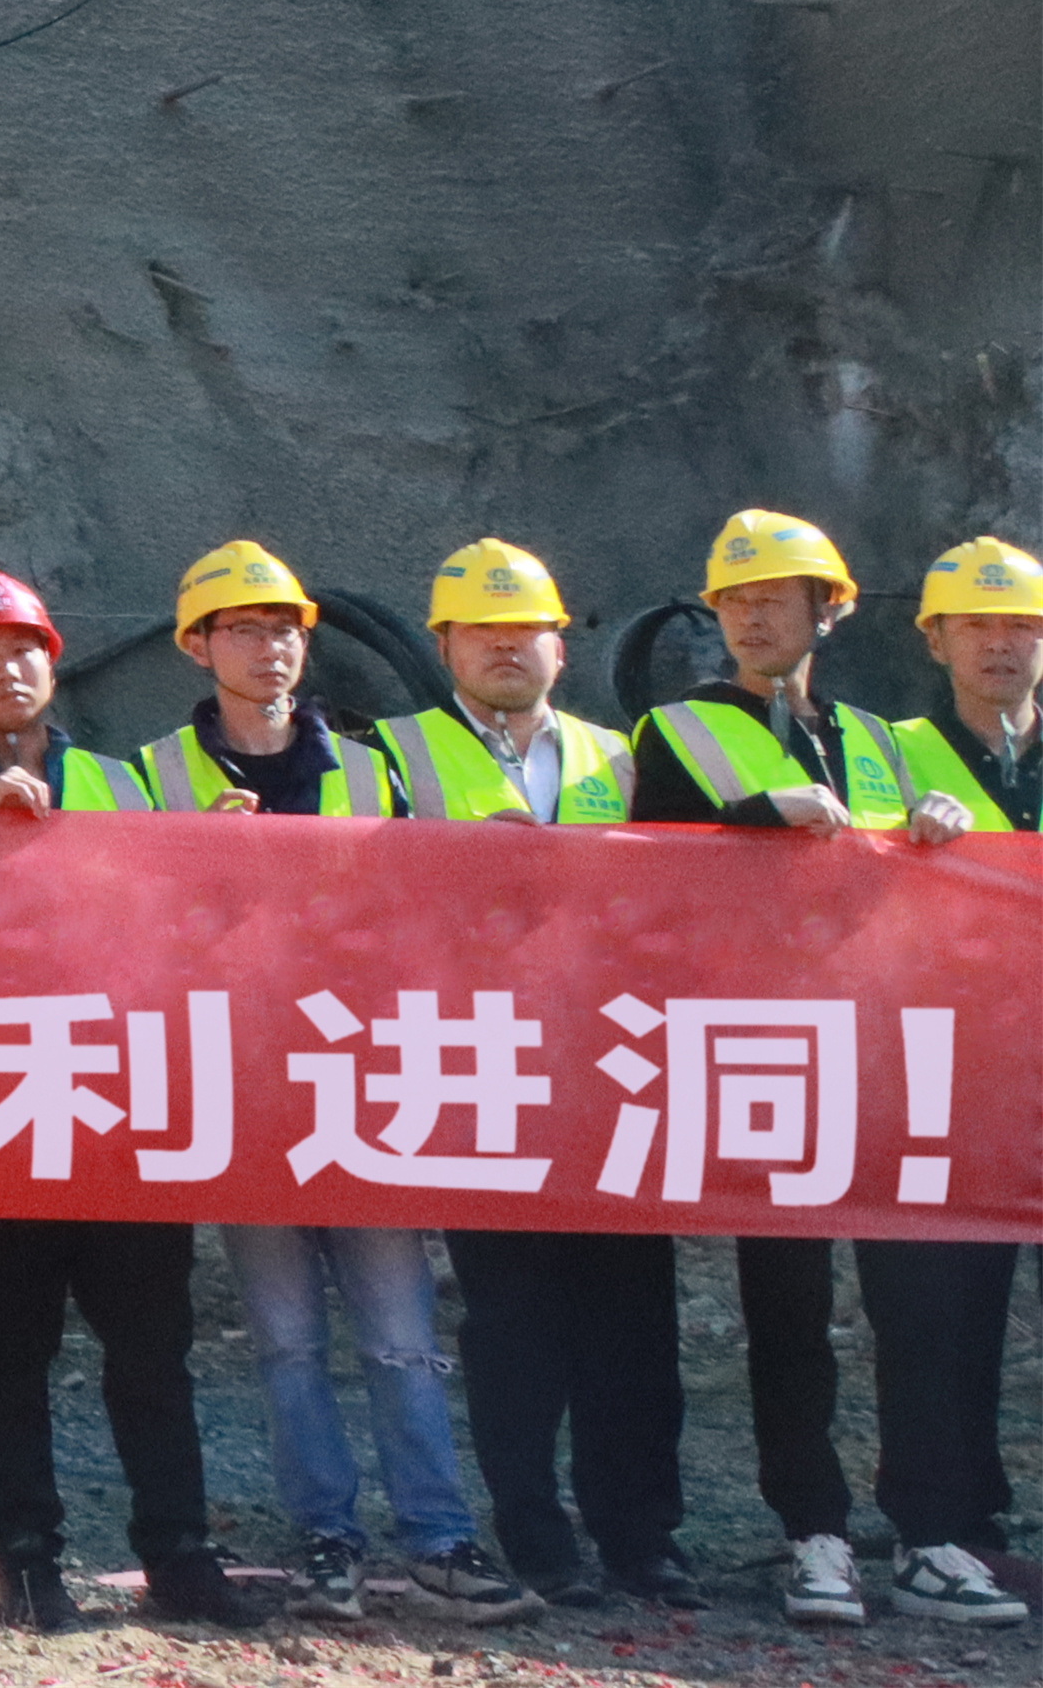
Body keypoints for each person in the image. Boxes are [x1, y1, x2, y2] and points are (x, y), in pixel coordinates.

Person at [142, 544, 535, 1622]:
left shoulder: (371, 771)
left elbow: (420, 920)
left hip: (364, 1087)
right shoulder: (148, 779)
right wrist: (186, 864)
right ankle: (327, 1538)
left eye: (283, 628)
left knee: (403, 1335)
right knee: (285, 1340)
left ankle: (438, 1537)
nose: (268, 647)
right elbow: (125, 933)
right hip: (241, 1091)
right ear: (196, 646)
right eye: (242, 629)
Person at [0, 565, 258, 1632]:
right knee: (9, 1342)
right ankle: (26, 1554)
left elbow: (185, 925)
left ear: (55, 661)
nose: (8, 667)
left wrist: (218, 849)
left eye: (24, 647)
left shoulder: (129, 785)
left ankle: (179, 1550)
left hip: (124, 1101)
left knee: (150, 1343)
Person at [372, 538, 681, 1612]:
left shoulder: (618, 756)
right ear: (444, 643)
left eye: (525, 629)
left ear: (562, 641)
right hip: (478, 1070)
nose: (505, 646)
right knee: (510, 1323)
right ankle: (536, 1535)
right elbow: (351, 902)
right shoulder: (391, 755)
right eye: (478, 630)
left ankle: (642, 1538)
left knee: (633, 1320)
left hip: (613, 1072)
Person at [632, 507, 914, 1629]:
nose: (749, 615)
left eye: (773, 598)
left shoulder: (883, 742)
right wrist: (752, 818)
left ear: (825, 611)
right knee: (787, 1312)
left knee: (909, 1304)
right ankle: (814, 1532)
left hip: (890, 1051)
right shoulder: (676, 734)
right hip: (765, 1057)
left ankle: (934, 1530)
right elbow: (639, 888)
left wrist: (942, 835)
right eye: (733, 601)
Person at [859, 538, 1040, 1630]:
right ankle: (945, 1531)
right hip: (938, 1079)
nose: (1002, 643)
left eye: (1021, 624)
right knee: (933, 1313)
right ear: (932, 638)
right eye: (978, 624)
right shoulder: (887, 755)